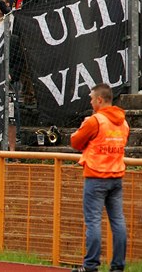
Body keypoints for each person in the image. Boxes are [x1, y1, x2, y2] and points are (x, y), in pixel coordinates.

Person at [70, 84, 129, 272]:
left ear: (100, 100)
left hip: (96, 176)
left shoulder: (95, 121)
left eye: (91, 98)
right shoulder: (123, 122)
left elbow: (76, 142)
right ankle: (117, 267)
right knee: (118, 222)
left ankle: (91, 266)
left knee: (93, 222)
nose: (90, 101)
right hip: (116, 176)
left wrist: (83, 126)